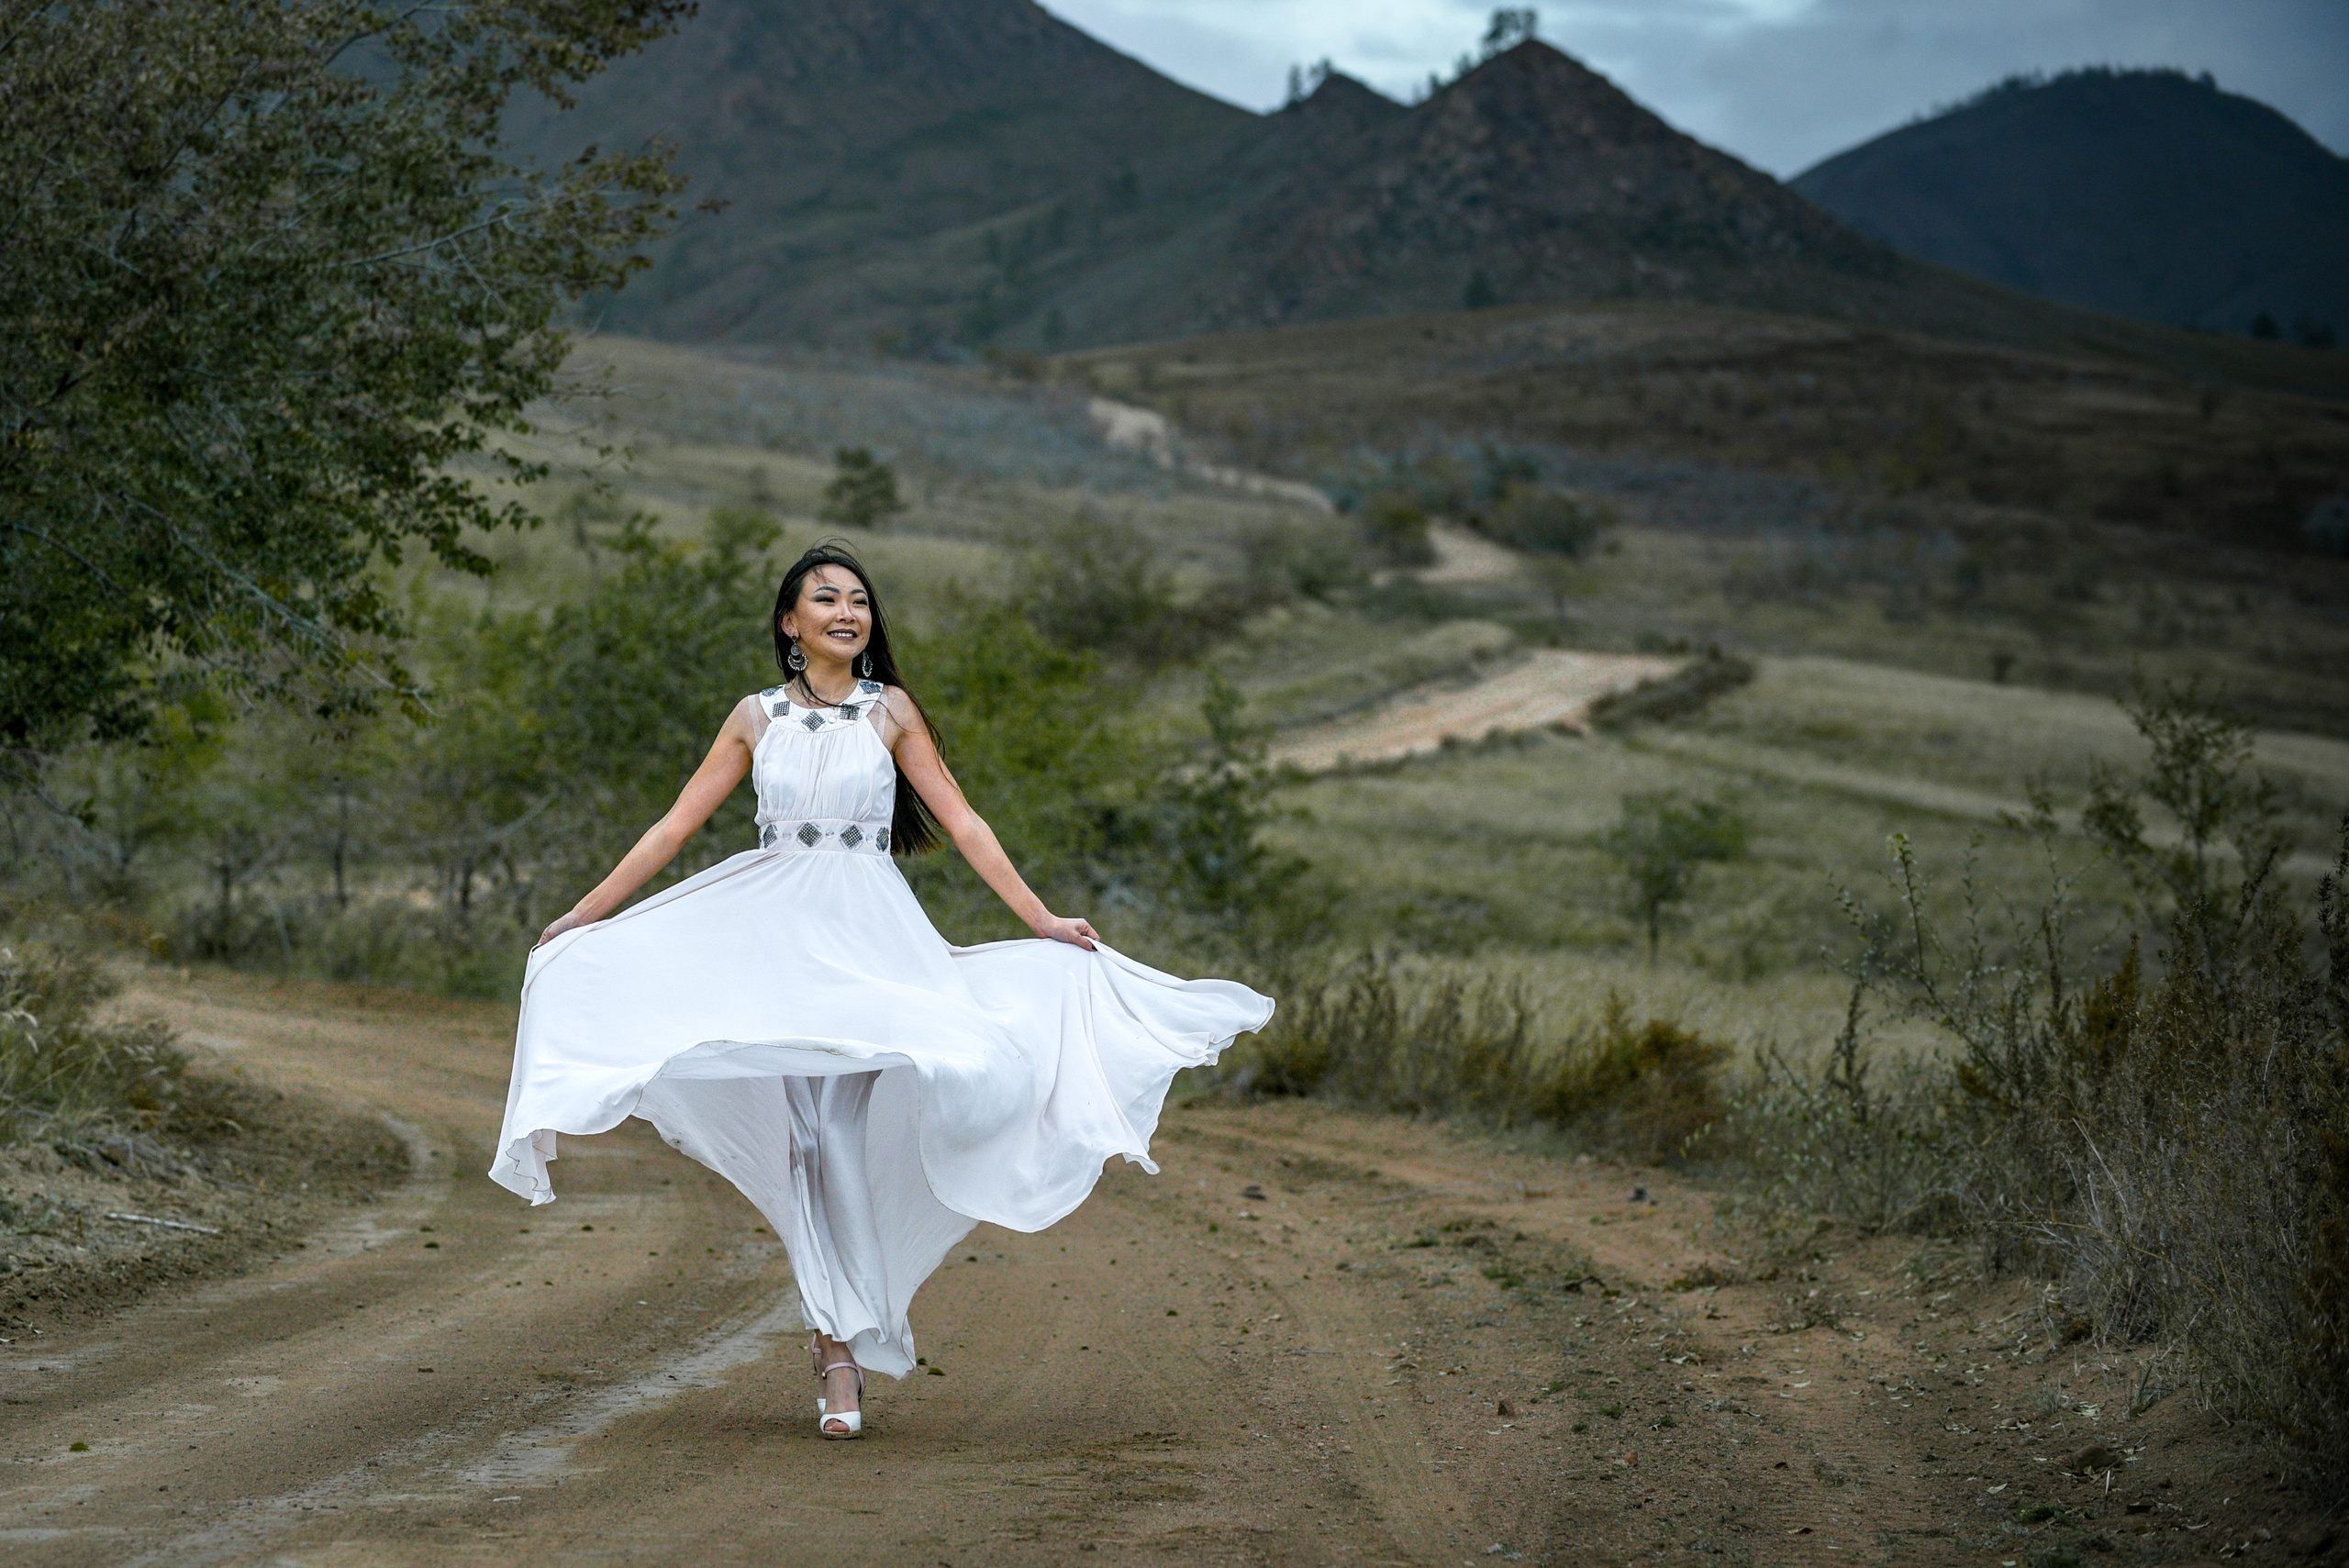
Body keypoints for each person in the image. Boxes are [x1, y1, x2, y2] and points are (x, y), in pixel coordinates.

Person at [491, 540, 1273, 1440]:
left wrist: (1042, 918)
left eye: (859, 600)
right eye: (826, 598)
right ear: (790, 623)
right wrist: (583, 914)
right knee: (804, 1134)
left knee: (838, 1132)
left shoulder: (890, 710)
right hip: (773, 943)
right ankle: (837, 1347)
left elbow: (963, 819)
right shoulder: (753, 717)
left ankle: (851, 1329)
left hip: (869, 943)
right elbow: (673, 826)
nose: (846, 612)